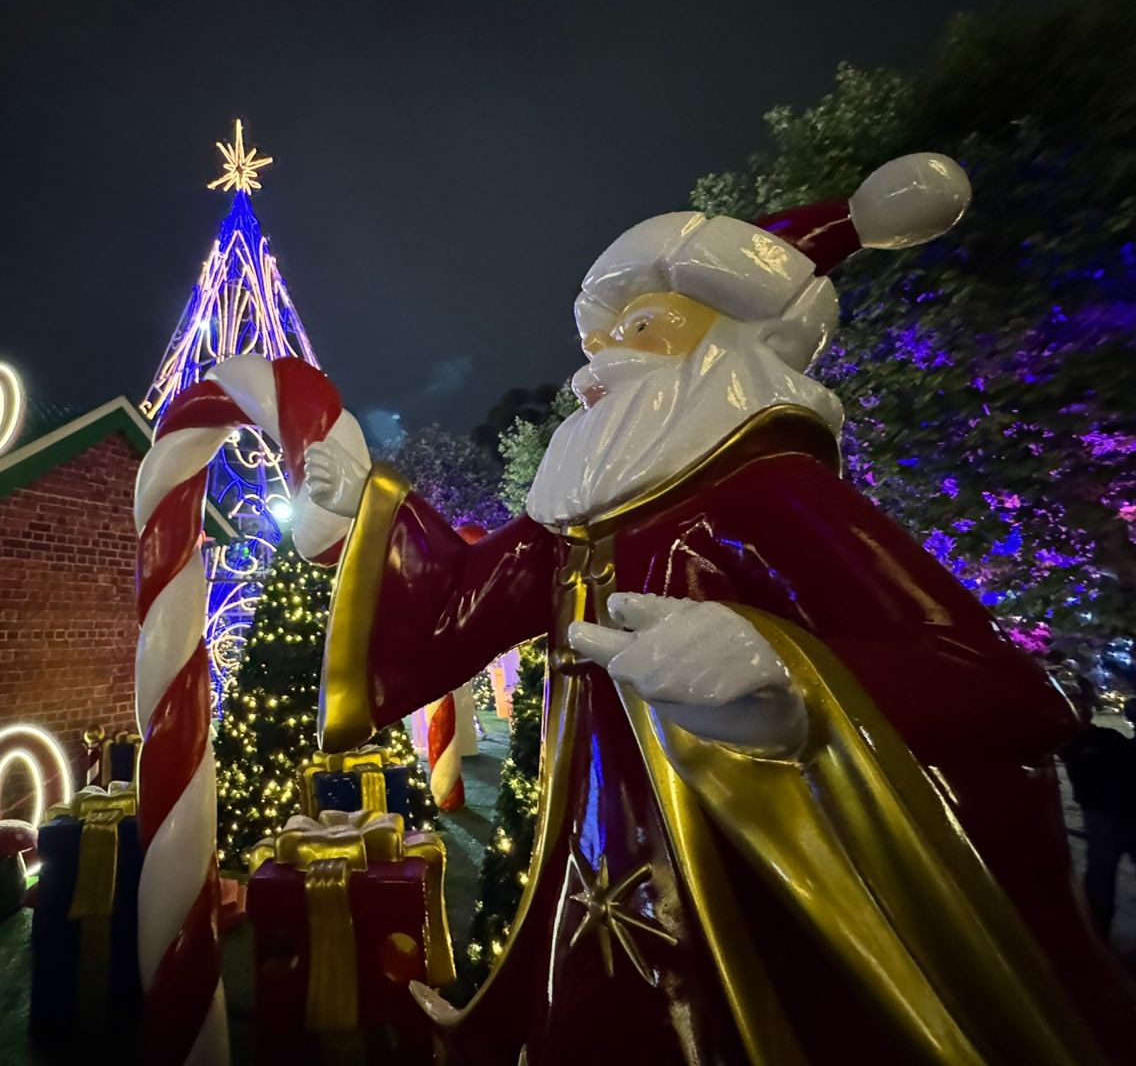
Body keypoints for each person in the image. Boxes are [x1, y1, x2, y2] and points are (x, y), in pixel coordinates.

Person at [305, 154, 1136, 1063]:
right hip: (606, 880)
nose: (591, 373)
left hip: (769, 907)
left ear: (738, 340)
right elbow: (453, 611)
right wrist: (365, 504)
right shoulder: (571, 529)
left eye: (642, 328)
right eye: (594, 343)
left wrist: (790, 675)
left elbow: (1004, 689)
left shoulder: (773, 493)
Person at [1063, 685, 1136, 933]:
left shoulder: (1107, 737)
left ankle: (1095, 927)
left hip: (1127, 811)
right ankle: (1095, 929)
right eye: (1074, 703)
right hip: (1101, 815)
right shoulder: (1071, 743)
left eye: (1082, 703)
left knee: (1101, 873)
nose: (1080, 708)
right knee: (1101, 874)